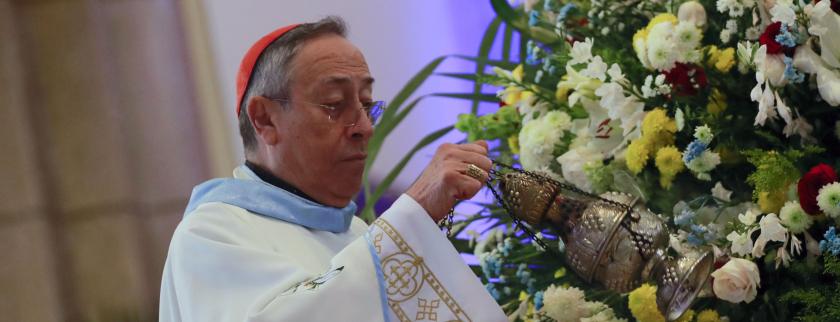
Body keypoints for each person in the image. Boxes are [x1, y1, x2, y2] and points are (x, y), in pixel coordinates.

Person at [159, 16, 506, 322]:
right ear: (265, 119)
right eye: (334, 105)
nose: (365, 127)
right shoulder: (213, 235)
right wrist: (414, 211)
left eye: (367, 105)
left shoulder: (356, 233)